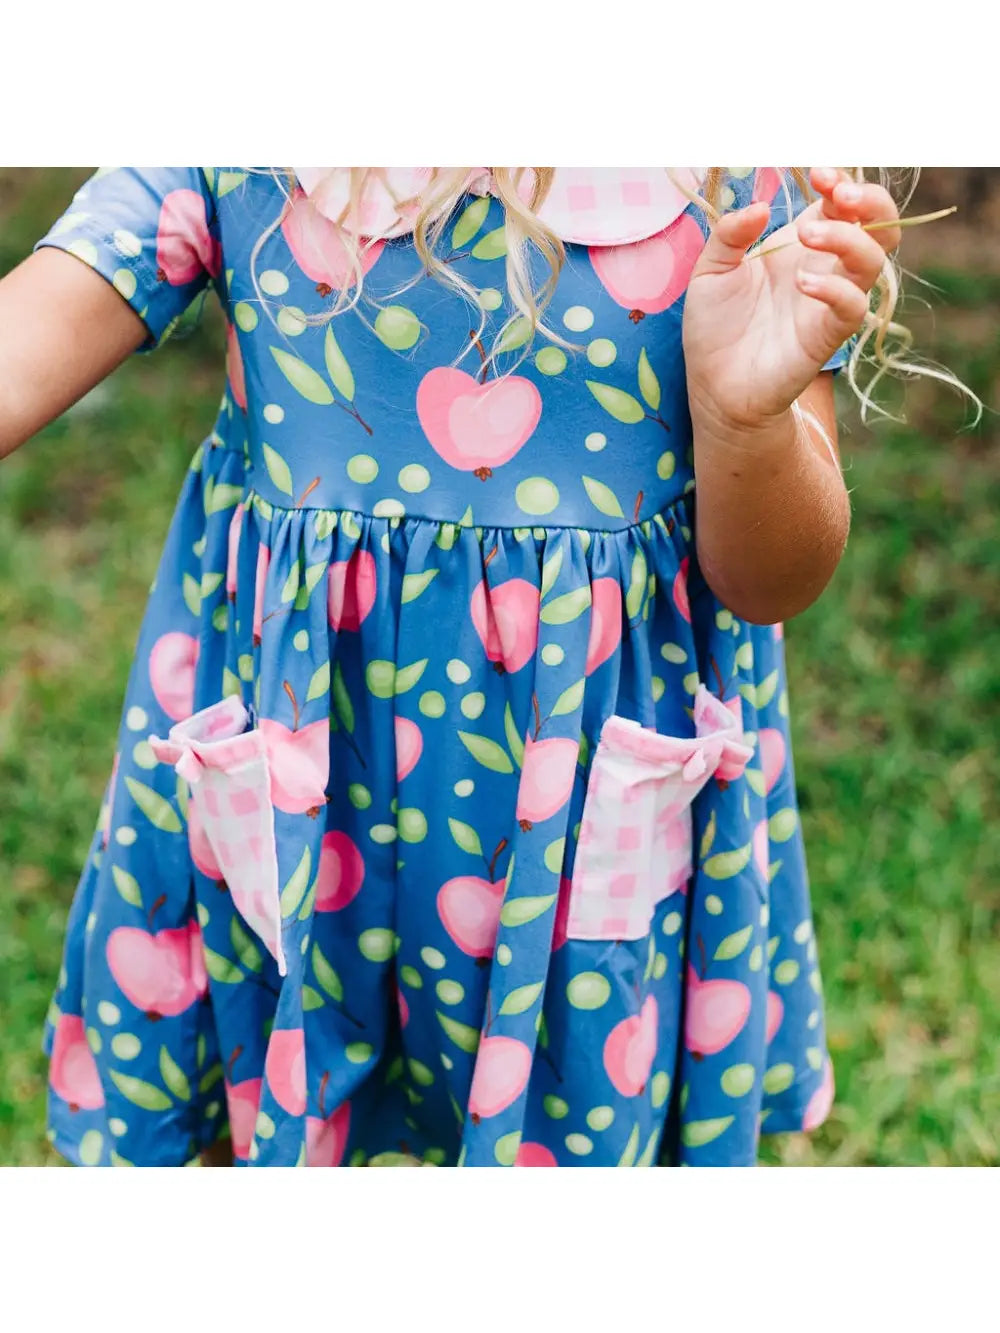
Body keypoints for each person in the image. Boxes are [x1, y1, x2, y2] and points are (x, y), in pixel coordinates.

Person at [0, 166, 903, 1167]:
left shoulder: (732, 181)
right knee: (262, 1101)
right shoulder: (244, 157)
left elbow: (773, 582)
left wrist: (744, 422)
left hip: (574, 824)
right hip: (302, 792)